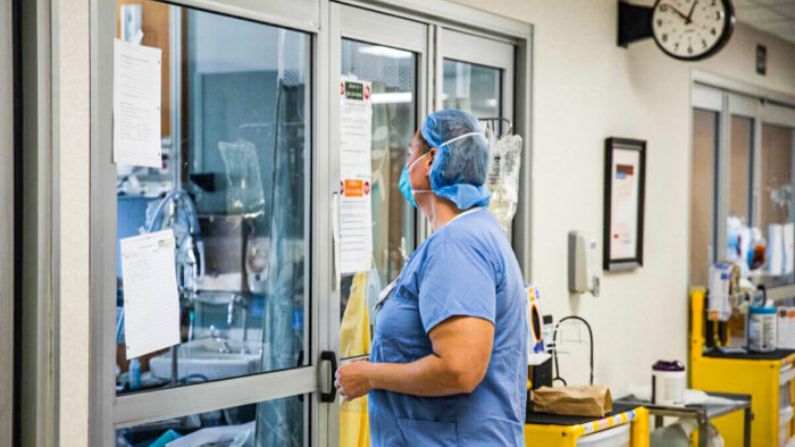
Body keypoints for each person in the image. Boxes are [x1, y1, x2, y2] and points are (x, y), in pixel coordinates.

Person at [335, 109, 528, 446]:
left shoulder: (457, 244)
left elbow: (459, 369)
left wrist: (370, 376)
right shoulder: (468, 234)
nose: (405, 163)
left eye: (411, 152)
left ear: (432, 159)